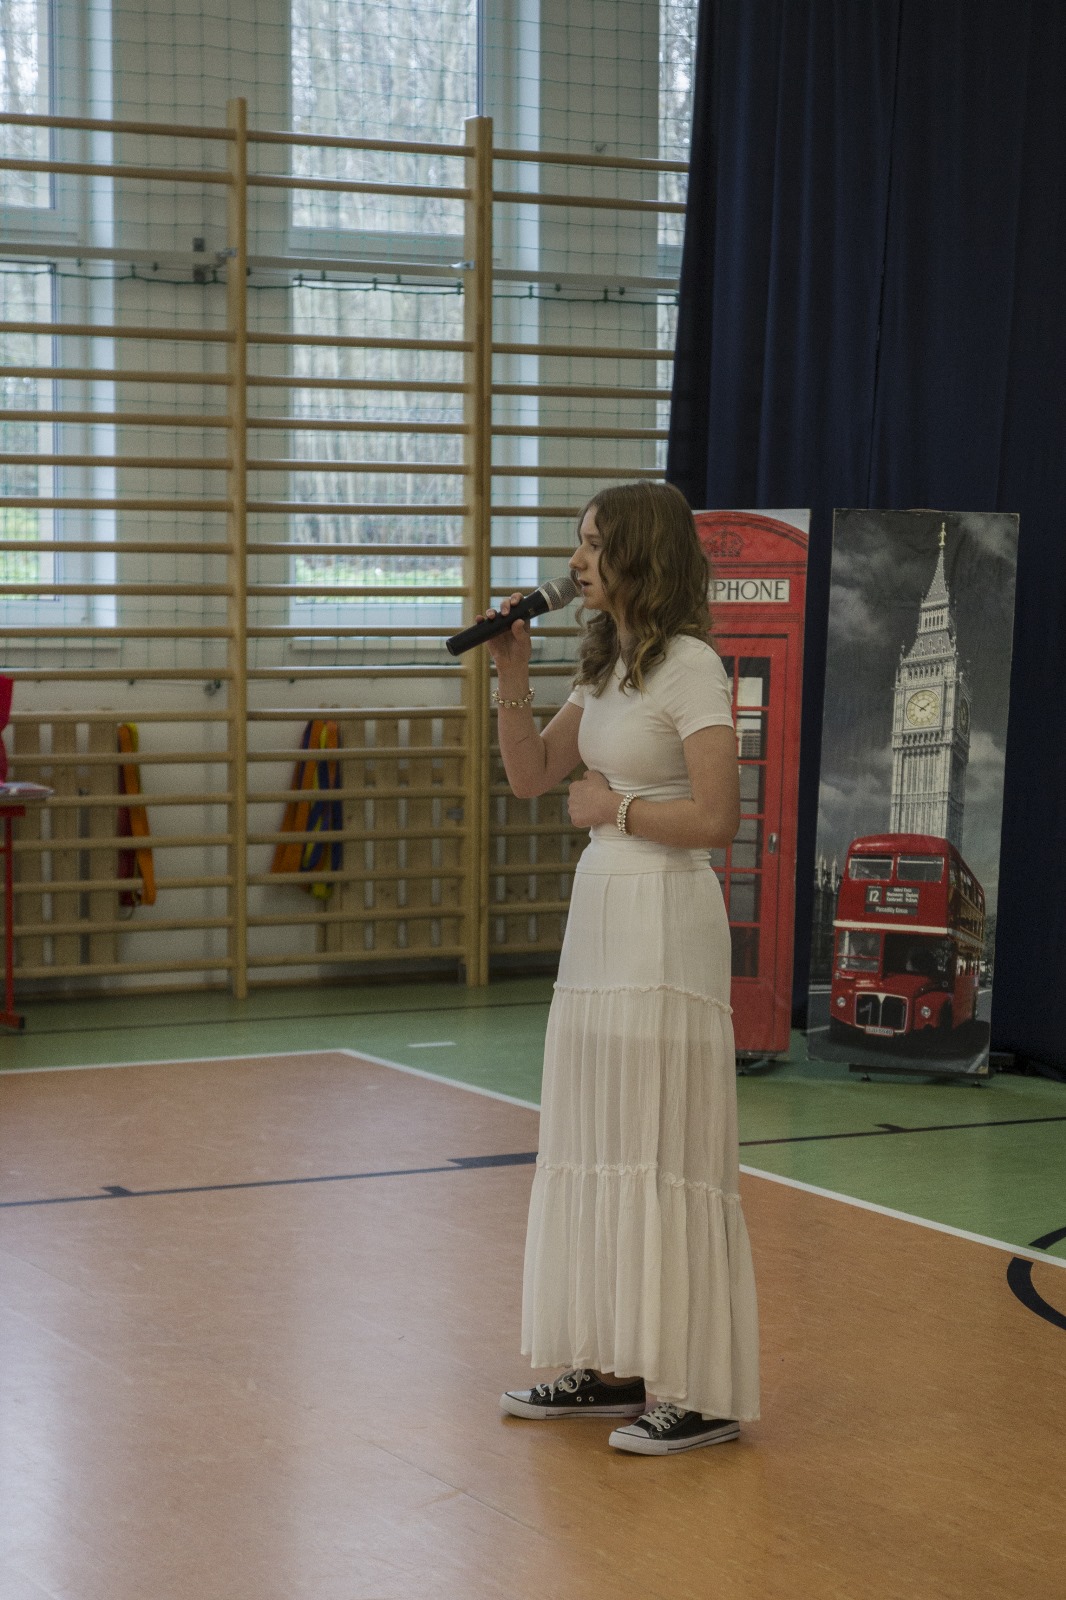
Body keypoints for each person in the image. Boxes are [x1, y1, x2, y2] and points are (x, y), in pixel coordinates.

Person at [488, 480, 759, 1457]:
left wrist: (620, 810)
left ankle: (699, 1389)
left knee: (660, 1145)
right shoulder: (604, 666)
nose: (576, 562)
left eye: (594, 544)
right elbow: (531, 774)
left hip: (665, 917)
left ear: (641, 554)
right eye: (577, 543)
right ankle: (611, 1363)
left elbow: (718, 819)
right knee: (598, 1129)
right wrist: (511, 672)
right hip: (601, 917)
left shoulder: (691, 666)